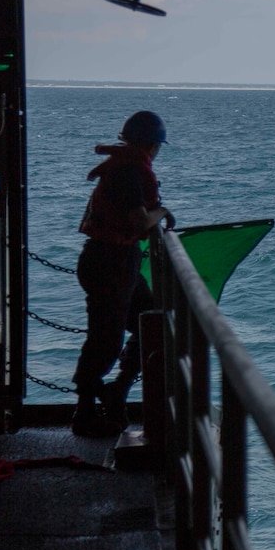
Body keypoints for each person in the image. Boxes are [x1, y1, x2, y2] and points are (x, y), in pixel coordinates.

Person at [70, 111, 175, 437]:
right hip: (109, 263)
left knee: (152, 320)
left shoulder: (124, 167)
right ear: (151, 144)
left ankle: (117, 390)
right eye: (157, 145)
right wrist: (164, 211)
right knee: (105, 340)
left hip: (115, 261)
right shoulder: (129, 172)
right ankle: (85, 412)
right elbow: (140, 222)